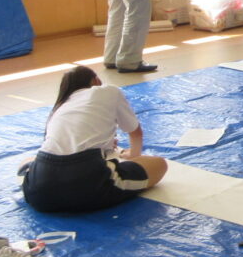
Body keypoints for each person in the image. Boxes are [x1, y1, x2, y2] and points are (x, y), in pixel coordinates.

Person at [22, 65, 167, 212]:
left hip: (38, 191)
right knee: (160, 164)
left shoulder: (62, 105)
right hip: (88, 185)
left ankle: (32, 171)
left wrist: (105, 143)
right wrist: (134, 156)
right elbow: (135, 133)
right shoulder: (109, 91)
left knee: (31, 161)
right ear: (95, 80)